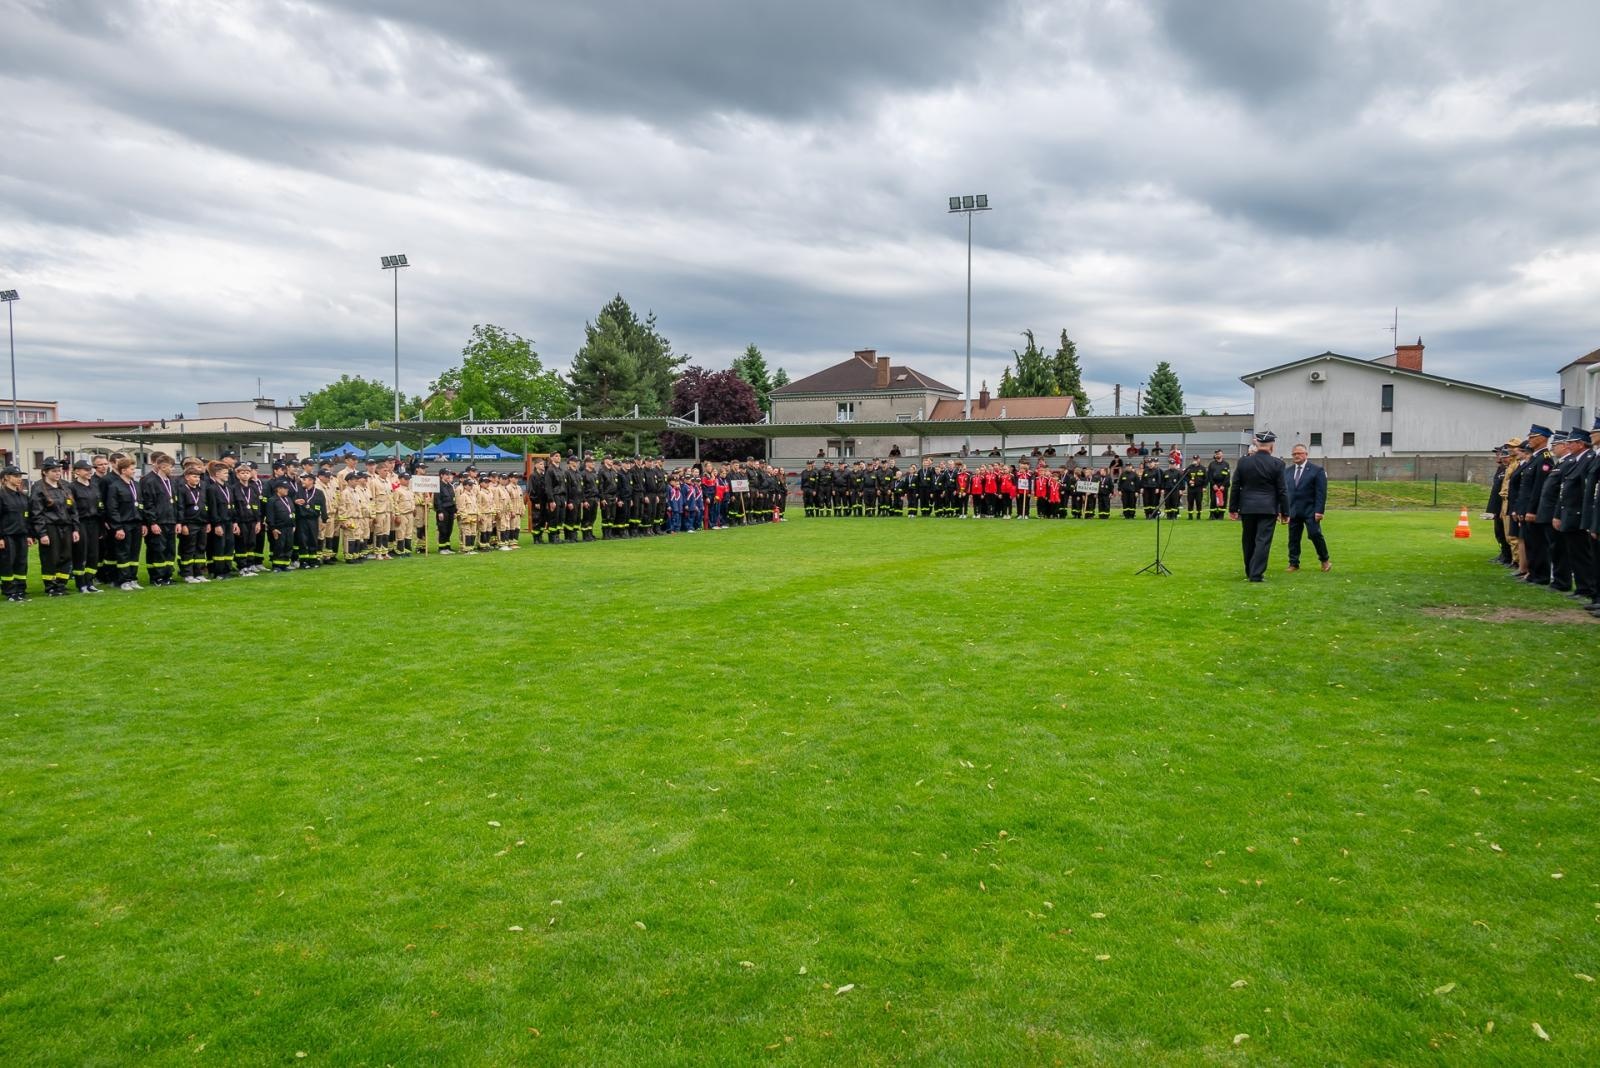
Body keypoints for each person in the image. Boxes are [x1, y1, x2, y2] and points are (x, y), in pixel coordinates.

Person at [1228, 430, 1289, 582]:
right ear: (1272, 446)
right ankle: (1256, 574)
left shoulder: (1244, 462)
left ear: (1257, 444)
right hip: (1268, 508)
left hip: (1247, 507)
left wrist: (1233, 508)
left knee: (1248, 540)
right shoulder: (1278, 464)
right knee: (1263, 541)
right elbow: (1282, 490)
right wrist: (1285, 511)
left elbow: (1235, 486)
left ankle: (1250, 571)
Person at [30, 458, 77, 597]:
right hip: (50, 527)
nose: (58, 473)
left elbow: (73, 509)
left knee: (66, 556)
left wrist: (75, 528)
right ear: (45, 472)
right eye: (54, 471)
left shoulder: (65, 486)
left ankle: (61, 584)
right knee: (51, 557)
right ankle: (51, 586)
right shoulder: (39, 488)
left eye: (59, 470)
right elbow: (36, 512)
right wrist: (42, 533)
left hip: (66, 526)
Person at [1284, 443, 1330, 573]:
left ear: (1306, 454)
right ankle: (1293, 563)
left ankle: (1324, 560)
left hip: (1311, 510)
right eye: (1294, 454)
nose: (1296, 456)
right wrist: (1283, 510)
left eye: (1299, 453)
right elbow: (1284, 492)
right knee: (1293, 538)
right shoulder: (1287, 472)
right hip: (1293, 510)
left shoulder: (1317, 470)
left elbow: (1321, 492)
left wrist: (1319, 511)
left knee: (1315, 534)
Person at [138, 452, 179, 586]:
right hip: (158, 522)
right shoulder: (150, 482)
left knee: (170, 550)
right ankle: (157, 577)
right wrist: (153, 522)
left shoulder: (172, 481)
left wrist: (177, 521)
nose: (173, 469)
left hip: (170, 521)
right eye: (171, 466)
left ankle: (168, 575)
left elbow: (176, 502)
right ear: (163, 467)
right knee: (158, 549)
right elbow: (148, 504)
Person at [105, 455, 145, 590]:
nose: (134, 471)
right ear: (123, 470)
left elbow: (141, 504)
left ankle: (133, 578)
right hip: (124, 524)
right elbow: (112, 509)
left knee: (135, 552)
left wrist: (143, 523)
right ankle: (123, 580)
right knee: (123, 553)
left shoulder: (136, 485)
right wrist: (117, 527)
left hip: (137, 523)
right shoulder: (115, 487)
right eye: (132, 469)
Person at [69, 459, 105, 593]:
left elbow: (99, 504)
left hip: (94, 523)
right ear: (77, 472)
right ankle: (81, 584)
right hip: (81, 522)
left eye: (90, 469)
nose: (89, 472)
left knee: (93, 554)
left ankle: (90, 582)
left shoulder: (94, 486)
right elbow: (72, 509)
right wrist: (75, 527)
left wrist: (101, 525)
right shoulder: (72, 487)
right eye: (86, 470)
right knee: (80, 553)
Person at [0, 465, 31, 602]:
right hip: (7, 535)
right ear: (6, 477)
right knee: (8, 563)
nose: (19, 479)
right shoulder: (2, 495)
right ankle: (9, 591)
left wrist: (29, 535)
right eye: (16, 476)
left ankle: (20, 589)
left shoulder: (22, 496)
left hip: (21, 534)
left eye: (20, 476)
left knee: (21, 562)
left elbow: (27, 516)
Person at [264, 480, 297, 572]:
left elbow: (292, 512)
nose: (287, 490)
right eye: (285, 488)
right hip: (279, 528)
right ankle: (277, 566)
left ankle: (285, 565)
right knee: (279, 547)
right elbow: (270, 516)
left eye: (287, 488)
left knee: (288, 546)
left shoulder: (289, 499)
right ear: (278, 489)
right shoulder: (272, 500)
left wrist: (294, 524)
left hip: (289, 527)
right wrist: (273, 528)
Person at [1205, 450, 1231, 520]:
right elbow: (1209, 475)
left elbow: (1227, 476)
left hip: (1223, 485)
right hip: (1214, 485)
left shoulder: (1226, 464)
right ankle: (1212, 515)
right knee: (1213, 500)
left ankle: (1221, 515)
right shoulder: (1212, 464)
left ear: (1222, 455)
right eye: (1216, 454)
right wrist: (1213, 484)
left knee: (1223, 500)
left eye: (1219, 454)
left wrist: (1223, 485)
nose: (1217, 455)